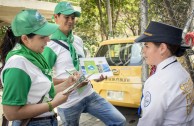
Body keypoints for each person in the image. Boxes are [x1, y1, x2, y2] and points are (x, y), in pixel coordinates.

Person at [42, 1, 126, 126]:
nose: (70, 21)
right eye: (66, 17)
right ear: (56, 17)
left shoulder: (77, 40)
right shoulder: (49, 45)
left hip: (89, 94)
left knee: (119, 121)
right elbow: (44, 79)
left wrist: (95, 76)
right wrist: (71, 82)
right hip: (68, 102)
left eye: (73, 17)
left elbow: (86, 66)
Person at [0, 9, 77, 126]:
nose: (48, 40)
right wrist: (53, 104)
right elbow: (11, 113)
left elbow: (43, 93)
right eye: (42, 37)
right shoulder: (18, 63)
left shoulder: (34, 56)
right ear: (25, 39)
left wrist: (68, 84)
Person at [135, 21, 194, 126]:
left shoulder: (158, 82)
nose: (143, 50)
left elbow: (148, 123)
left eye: (147, 46)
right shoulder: (181, 71)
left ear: (162, 48)